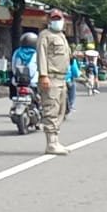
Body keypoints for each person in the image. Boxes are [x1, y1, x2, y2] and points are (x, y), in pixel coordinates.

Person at [37, 10, 72, 156]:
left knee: (61, 110)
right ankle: (51, 143)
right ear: (49, 20)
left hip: (62, 78)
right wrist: (43, 75)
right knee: (51, 109)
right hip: (51, 77)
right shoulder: (45, 35)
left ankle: (55, 140)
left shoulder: (61, 36)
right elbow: (42, 56)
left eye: (59, 18)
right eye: (54, 18)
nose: (57, 21)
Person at [10, 33, 40, 101]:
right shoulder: (36, 53)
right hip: (33, 81)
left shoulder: (17, 52)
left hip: (17, 81)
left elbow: (13, 66)